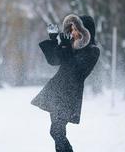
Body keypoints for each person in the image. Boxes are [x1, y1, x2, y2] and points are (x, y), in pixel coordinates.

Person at [31, 14, 100, 152]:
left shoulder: (92, 51)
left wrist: (66, 45)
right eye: (72, 29)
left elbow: (75, 68)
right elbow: (54, 61)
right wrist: (54, 40)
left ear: (86, 31)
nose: (73, 32)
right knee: (56, 132)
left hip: (69, 94)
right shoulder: (71, 46)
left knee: (57, 131)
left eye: (77, 29)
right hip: (56, 90)